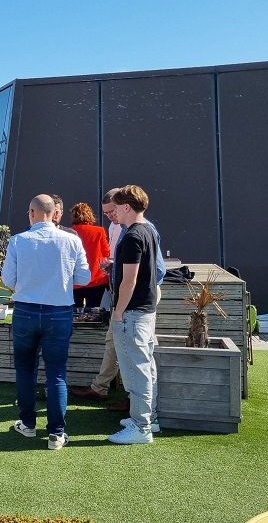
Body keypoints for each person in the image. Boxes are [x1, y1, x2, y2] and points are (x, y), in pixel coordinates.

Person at [2, 194, 90, 450]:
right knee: (57, 374)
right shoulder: (72, 240)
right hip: (59, 312)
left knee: (25, 371)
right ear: (54, 213)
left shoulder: (19, 240)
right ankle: (56, 433)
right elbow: (83, 278)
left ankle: (28, 424)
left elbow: (8, 279)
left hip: (26, 311)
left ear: (31, 212)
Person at [71, 189, 166, 407]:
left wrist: (121, 308)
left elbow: (156, 271)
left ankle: (139, 409)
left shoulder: (138, 231)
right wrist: (117, 269)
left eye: (111, 211)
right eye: (106, 213)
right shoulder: (127, 229)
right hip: (132, 299)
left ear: (124, 207)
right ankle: (104, 389)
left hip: (135, 301)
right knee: (120, 346)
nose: (110, 216)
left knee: (137, 354)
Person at [107, 185, 159, 445]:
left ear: (127, 206)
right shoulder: (148, 230)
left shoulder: (132, 236)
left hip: (133, 312)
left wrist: (118, 313)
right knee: (146, 365)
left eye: (116, 208)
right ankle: (150, 419)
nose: (113, 212)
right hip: (146, 311)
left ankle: (142, 426)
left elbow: (129, 281)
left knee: (136, 370)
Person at [69, 202, 110, 308]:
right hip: (96, 279)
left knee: (74, 313)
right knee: (94, 312)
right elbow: (107, 253)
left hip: (74, 280)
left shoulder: (68, 233)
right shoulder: (99, 231)